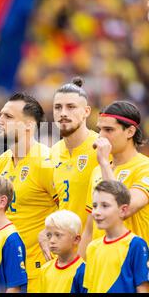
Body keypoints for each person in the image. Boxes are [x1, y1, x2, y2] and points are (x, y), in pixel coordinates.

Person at [80, 100, 149, 257]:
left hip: (128, 271)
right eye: (100, 130)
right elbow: (90, 230)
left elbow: (125, 208)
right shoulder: (97, 171)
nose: (101, 136)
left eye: (109, 130)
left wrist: (104, 163)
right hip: (98, 271)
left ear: (130, 132)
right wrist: (78, 271)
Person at [0, 92, 58, 292]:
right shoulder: (2, 162)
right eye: (1, 115)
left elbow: (67, 208)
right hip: (7, 272)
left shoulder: (46, 162)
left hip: (39, 272)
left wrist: (48, 231)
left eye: (8, 117)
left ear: (29, 126)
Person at [83, 180, 149, 293]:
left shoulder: (135, 244)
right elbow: (88, 288)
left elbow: (142, 288)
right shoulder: (92, 247)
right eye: (95, 206)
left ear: (123, 210)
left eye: (105, 206)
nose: (97, 212)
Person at [51, 77, 98, 227]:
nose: (63, 113)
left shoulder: (102, 148)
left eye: (71, 107)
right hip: (64, 248)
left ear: (86, 112)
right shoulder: (52, 153)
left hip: (95, 247)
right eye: (58, 107)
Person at [39, 210, 86, 293]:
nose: (52, 240)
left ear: (76, 239)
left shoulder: (83, 271)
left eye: (58, 235)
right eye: (49, 235)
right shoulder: (45, 269)